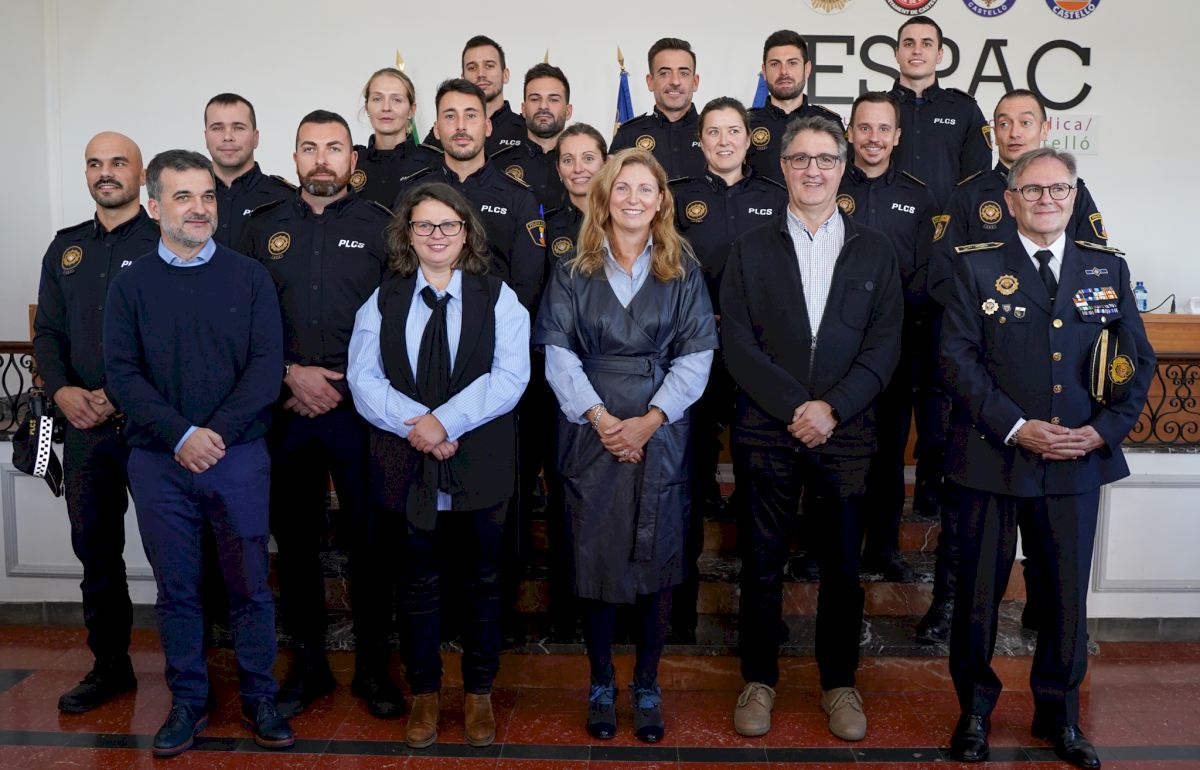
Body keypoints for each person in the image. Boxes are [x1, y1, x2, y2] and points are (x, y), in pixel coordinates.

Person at [941, 147, 1152, 768]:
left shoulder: (1106, 268)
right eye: (1032, 190)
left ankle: (1059, 716)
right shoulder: (976, 267)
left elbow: (1137, 362)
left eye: (1058, 189)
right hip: (992, 458)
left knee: (1065, 598)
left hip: (1076, 459)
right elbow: (956, 358)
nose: (1046, 200)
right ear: (1010, 201)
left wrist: (1101, 433)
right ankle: (974, 713)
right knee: (977, 596)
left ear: (1074, 197)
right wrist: (1015, 426)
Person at [103, 150, 291, 756]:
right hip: (159, 462)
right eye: (183, 196)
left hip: (238, 458)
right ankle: (187, 701)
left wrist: (214, 435)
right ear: (154, 205)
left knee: (250, 587)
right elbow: (122, 375)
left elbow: (265, 368)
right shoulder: (130, 284)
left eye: (207, 196)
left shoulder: (250, 277)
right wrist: (181, 435)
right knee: (178, 590)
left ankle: (260, 697)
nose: (199, 208)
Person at [722, 116, 902, 742]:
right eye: (800, 159)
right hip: (766, 430)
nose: (813, 170)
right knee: (761, 563)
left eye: (825, 159)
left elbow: (884, 346)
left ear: (843, 167)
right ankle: (758, 680)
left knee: (843, 570)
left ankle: (839, 683)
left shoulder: (876, 249)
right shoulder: (749, 248)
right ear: (783, 168)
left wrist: (832, 408)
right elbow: (738, 344)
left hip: (846, 434)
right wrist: (797, 406)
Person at [535, 148, 718, 743]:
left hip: (662, 434)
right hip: (590, 434)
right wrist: (602, 419)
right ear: (604, 197)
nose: (633, 199)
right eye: (622, 188)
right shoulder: (571, 270)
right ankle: (599, 683)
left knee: (657, 560)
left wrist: (649, 420)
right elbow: (558, 353)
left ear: (662, 200)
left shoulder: (683, 270)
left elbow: (696, 357)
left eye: (645, 189)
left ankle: (646, 683)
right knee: (595, 558)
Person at [918, 88, 1108, 644]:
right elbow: (941, 279)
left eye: (1025, 120)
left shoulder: (1071, 192)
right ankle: (947, 604)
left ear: (1045, 128)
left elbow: (1093, 278)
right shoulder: (968, 194)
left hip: (1056, 390)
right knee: (967, 524)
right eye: (1003, 122)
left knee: (1055, 537)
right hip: (984, 388)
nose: (1014, 130)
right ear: (992, 132)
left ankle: (1043, 616)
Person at [346, 182, 530, 749]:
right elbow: (363, 377)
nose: (436, 235)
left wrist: (445, 423)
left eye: (449, 225)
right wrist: (420, 427)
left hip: (480, 459)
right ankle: (425, 693)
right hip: (407, 460)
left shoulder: (498, 296)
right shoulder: (384, 298)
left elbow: (510, 376)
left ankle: (479, 693)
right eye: (423, 225)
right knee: (416, 582)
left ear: (467, 233)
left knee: (483, 581)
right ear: (407, 234)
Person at [237, 110, 400, 719]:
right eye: (310, 148)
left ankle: (374, 670)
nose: (321, 159)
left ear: (353, 160)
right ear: (295, 157)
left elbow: (400, 322)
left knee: (370, 543)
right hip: (285, 410)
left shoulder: (383, 226)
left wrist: (348, 385)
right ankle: (309, 667)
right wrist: (289, 373)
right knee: (297, 544)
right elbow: (242, 320)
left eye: (334, 148)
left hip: (360, 413)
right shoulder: (261, 228)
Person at [33, 131, 159, 714]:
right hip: (85, 429)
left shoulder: (166, 241)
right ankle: (110, 665)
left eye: (118, 162)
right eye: (94, 163)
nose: (105, 172)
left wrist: (115, 393)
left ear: (141, 173)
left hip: (151, 429)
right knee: (96, 554)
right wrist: (62, 391)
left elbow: (172, 336)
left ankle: (194, 672)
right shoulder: (66, 249)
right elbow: (48, 333)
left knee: (175, 553)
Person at [668, 96, 786, 641]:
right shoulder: (676, 196)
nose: (724, 141)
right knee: (689, 484)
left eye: (733, 131)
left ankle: (761, 616)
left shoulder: (777, 196)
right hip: (692, 354)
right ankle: (680, 612)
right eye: (713, 131)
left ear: (748, 137)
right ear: (701, 140)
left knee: (759, 484)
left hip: (757, 358)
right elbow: (663, 269)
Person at [838, 92, 938, 583]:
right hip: (834, 349)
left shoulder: (920, 197)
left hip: (895, 349)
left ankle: (883, 547)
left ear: (897, 136)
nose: (873, 138)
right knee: (833, 451)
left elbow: (927, 272)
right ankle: (824, 547)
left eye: (883, 129)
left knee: (888, 451)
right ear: (850, 132)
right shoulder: (827, 183)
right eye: (864, 127)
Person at [395, 79, 544, 310]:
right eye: (450, 116)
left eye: (471, 115)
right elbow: (397, 270)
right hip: (423, 323)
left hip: (497, 326)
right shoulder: (412, 192)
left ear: (488, 126)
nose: (461, 126)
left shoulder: (518, 198)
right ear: (436, 129)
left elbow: (528, 286)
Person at [888, 17, 991, 208]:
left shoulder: (964, 110)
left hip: (948, 221)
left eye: (926, 44)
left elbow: (978, 180)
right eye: (909, 43)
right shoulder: (875, 109)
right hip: (886, 222)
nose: (917, 50)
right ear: (897, 53)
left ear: (940, 55)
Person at [746, 30, 845, 185]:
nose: (784, 72)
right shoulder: (745, 124)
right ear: (764, 71)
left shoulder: (830, 123)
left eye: (792, 63)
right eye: (775, 64)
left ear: (807, 68)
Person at [203, 93, 294, 248]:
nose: (228, 137)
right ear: (206, 137)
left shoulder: (286, 199)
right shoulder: (187, 200)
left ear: (255, 137)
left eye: (238, 128)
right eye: (217, 128)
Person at [610, 38, 705, 180]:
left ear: (695, 82)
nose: (675, 82)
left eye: (684, 73)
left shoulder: (715, 133)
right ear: (650, 82)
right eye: (664, 73)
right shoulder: (627, 135)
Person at [423, 35, 527, 155]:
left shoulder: (526, 132)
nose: (481, 74)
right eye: (472, 68)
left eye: (489, 66)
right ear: (463, 78)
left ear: (505, 75)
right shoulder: (443, 132)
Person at [350, 67, 437, 208]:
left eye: (396, 100)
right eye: (377, 99)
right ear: (367, 107)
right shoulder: (351, 162)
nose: (386, 107)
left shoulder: (432, 164)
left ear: (412, 110)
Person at [492, 63, 573, 209]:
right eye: (535, 99)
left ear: (568, 111)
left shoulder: (585, 167)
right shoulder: (496, 164)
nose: (543, 106)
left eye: (553, 99)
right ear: (523, 109)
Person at [545, 123, 607, 262]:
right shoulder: (545, 225)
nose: (578, 169)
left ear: (605, 164)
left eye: (588, 158)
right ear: (558, 169)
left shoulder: (623, 219)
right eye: (568, 160)